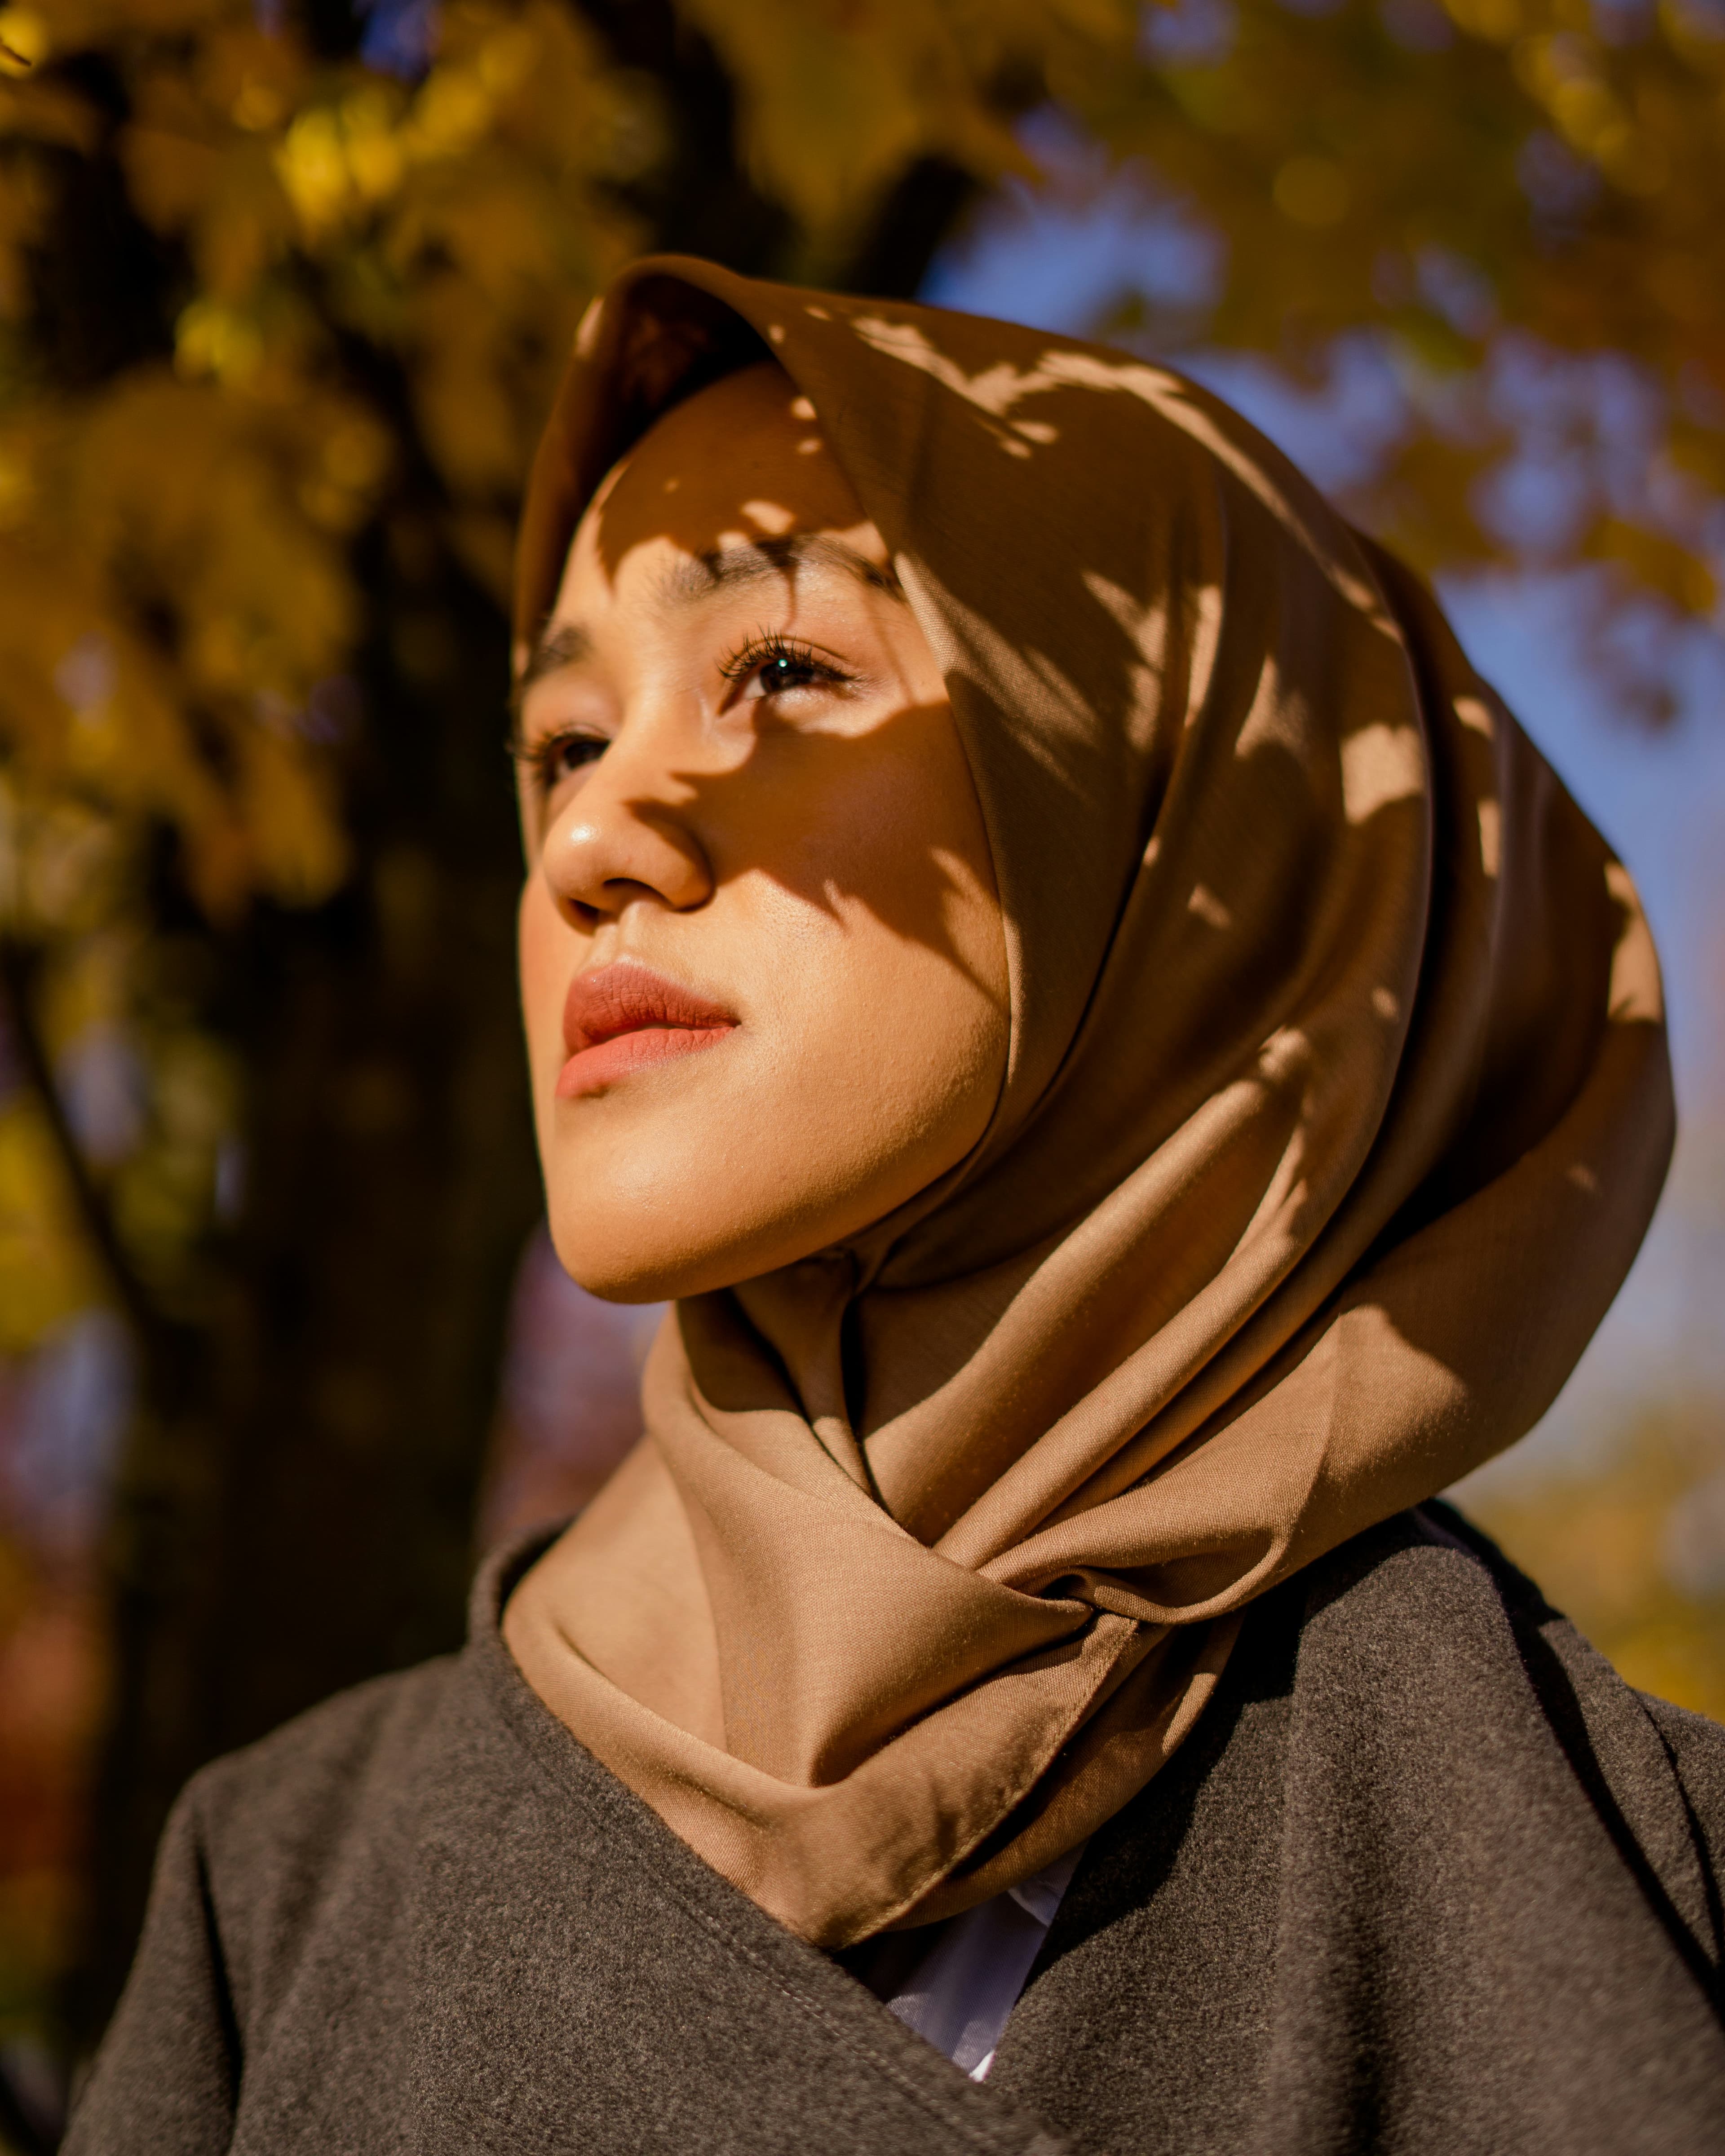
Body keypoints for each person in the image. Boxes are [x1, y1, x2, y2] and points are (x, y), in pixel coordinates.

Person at [66, 259, 1725, 2156]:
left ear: (1186, 839)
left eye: (779, 671)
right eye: (563, 747)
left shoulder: (1643, 1890)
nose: (595, 835)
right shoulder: (271, 1903)